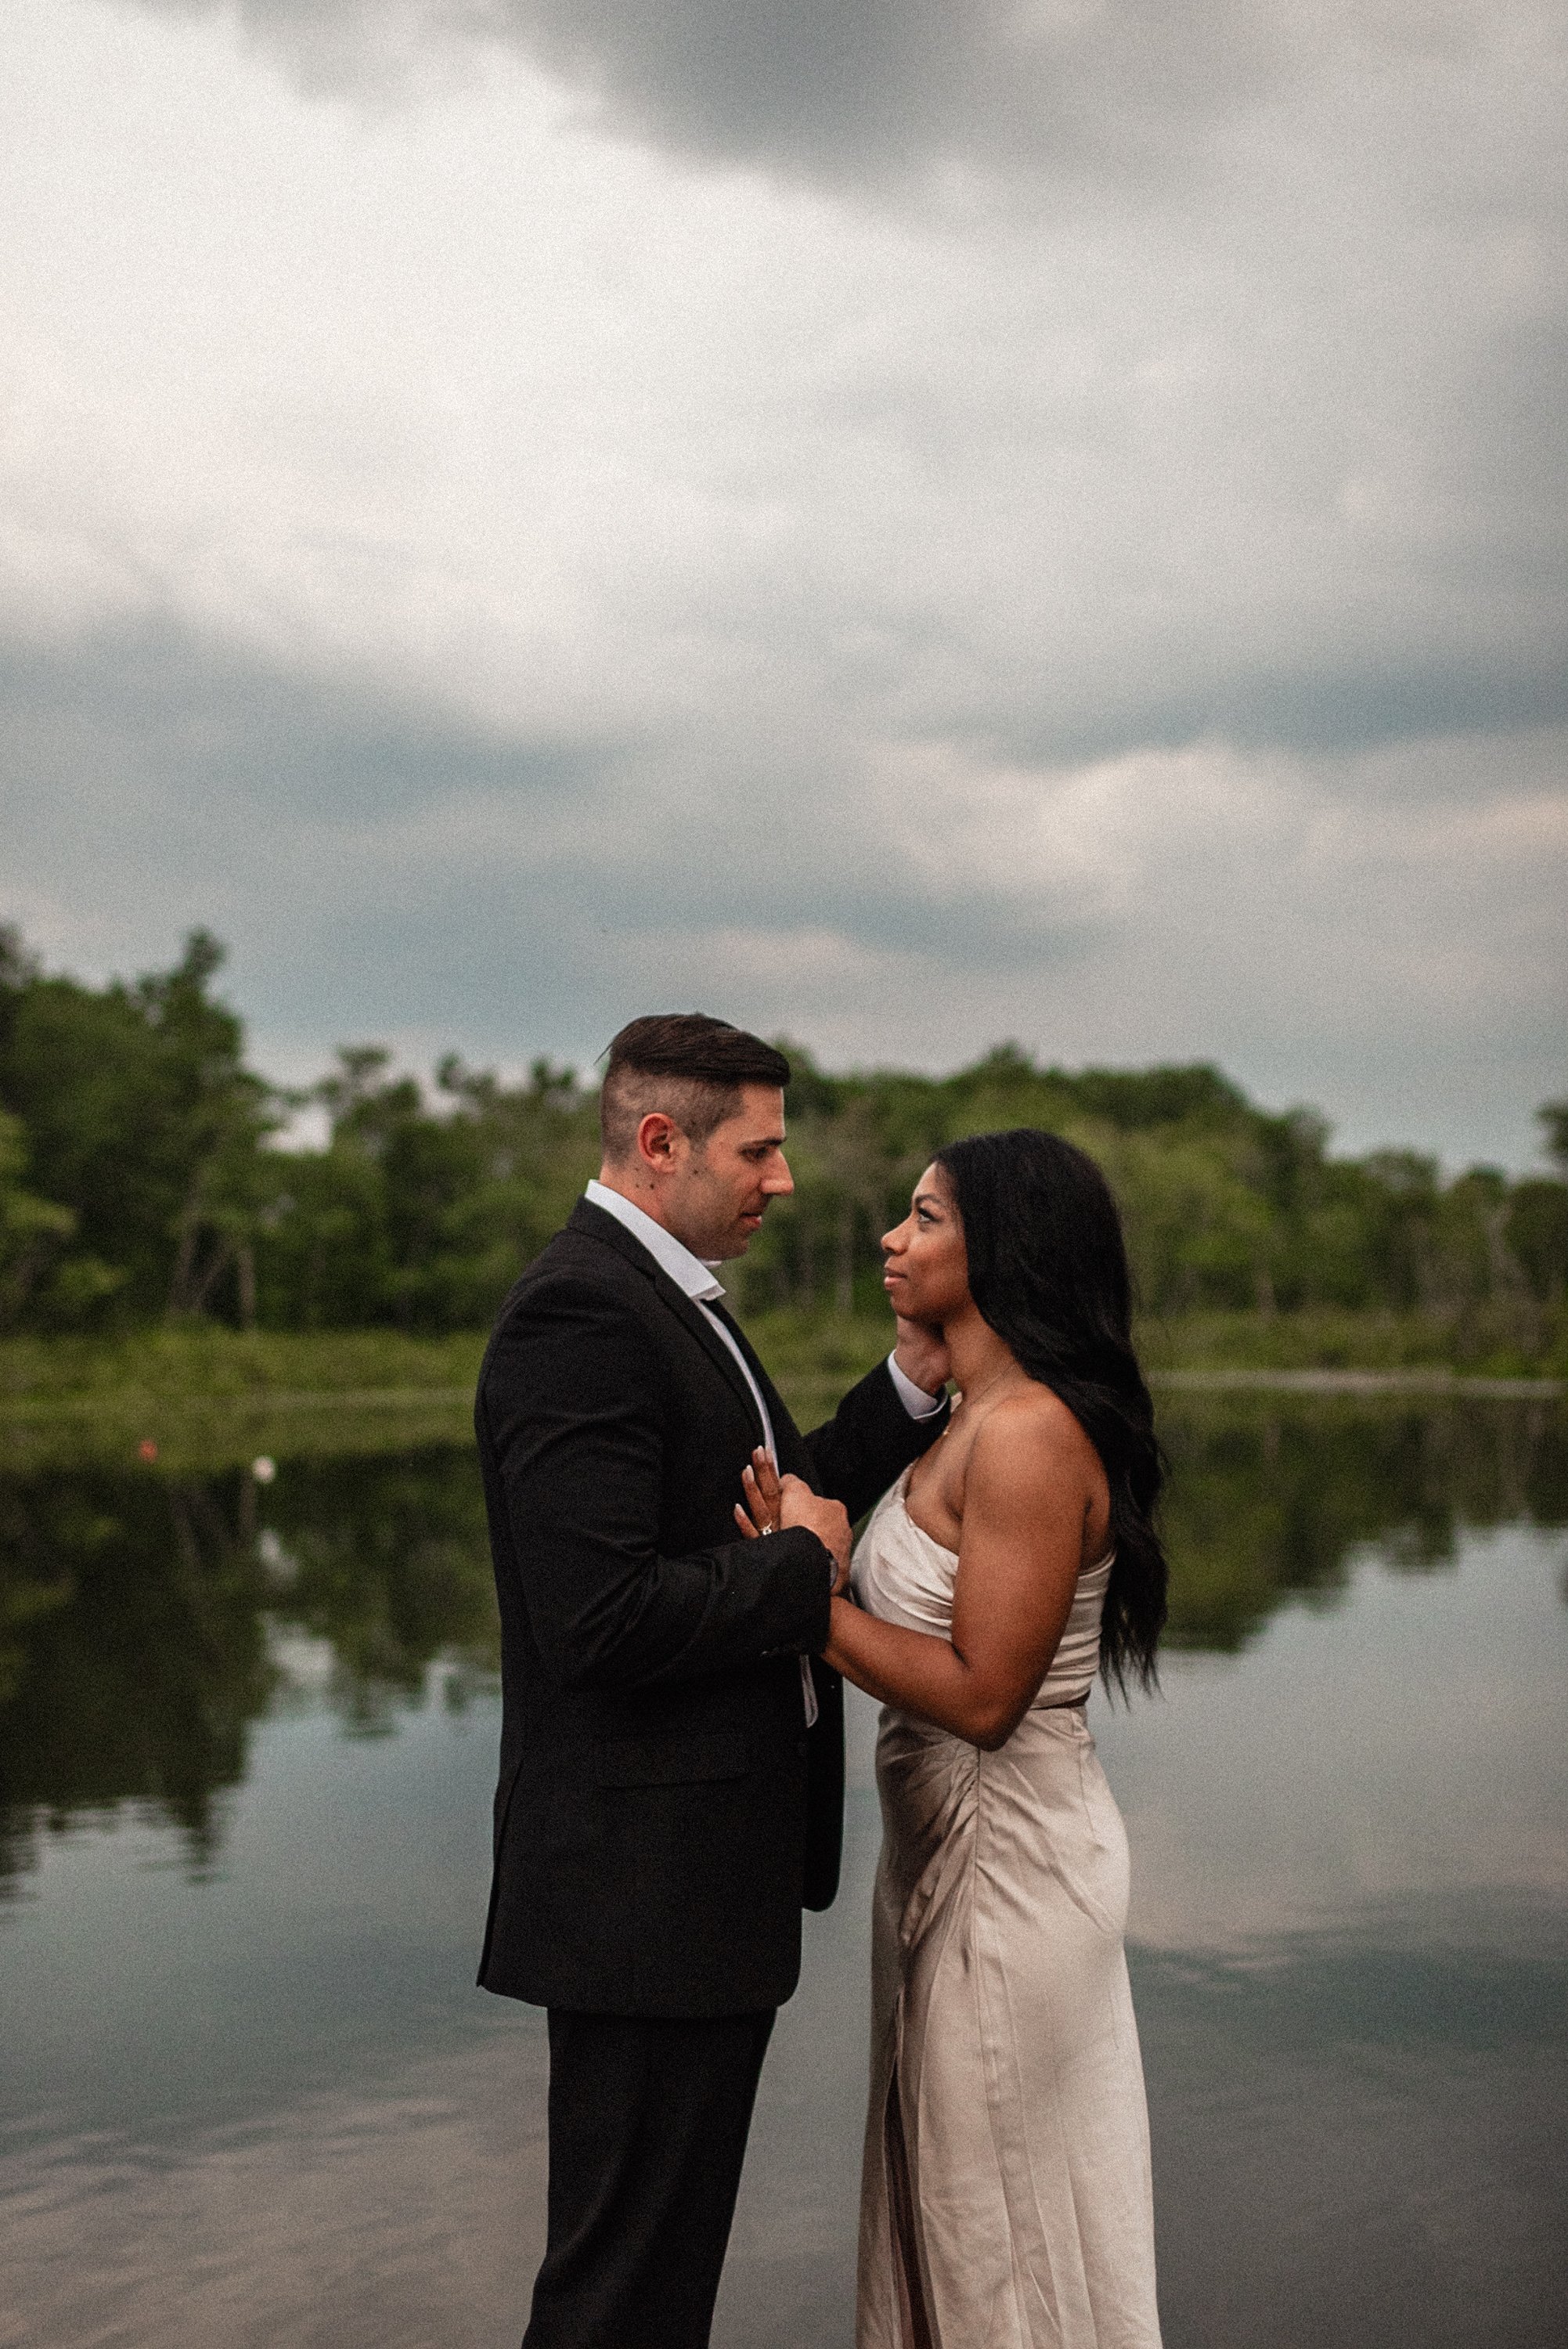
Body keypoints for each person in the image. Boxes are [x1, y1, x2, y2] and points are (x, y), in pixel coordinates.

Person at [473, 1013, 951, 2349]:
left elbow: (790, 1492)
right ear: (663, 1139)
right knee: (621, 2296)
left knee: (660, 2292)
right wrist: (801, 1572)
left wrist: (913, 1385)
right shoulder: (583, 1311)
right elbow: (599, 1618)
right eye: (763, 1147)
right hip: (639, 1895)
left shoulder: (671, 1302)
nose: (784, 1178)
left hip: (691, 1889)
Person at [737, 1128, 1166, 2349]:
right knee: (946, 2196)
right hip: (935, 1854)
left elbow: (985, 1697)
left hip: (1010, 1865)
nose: (891, 1236)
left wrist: (805, 1606)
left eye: (925, 1218)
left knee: (1005, 2212)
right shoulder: (970, 1415)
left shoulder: (1029, 1435)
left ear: (1004, 1251)